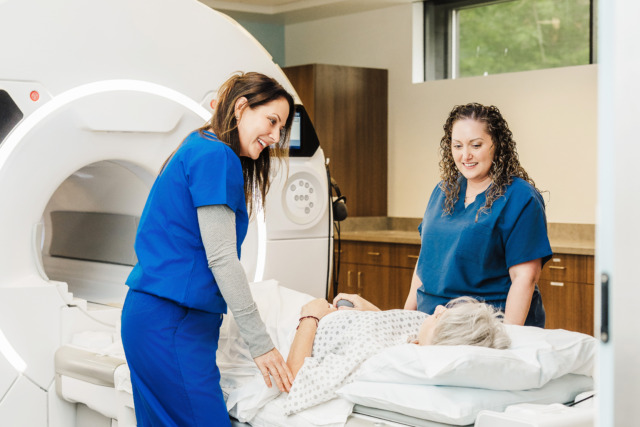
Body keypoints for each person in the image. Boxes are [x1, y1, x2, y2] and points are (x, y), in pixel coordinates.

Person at [120, 72, 296, 426]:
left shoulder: (196, 143)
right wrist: (261, 344)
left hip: (151, 317)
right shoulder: (217, 156)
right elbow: (221, 258)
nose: (276, 137)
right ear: (242, 107)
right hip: (172, 323)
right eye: (272, 121)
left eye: (281, 129)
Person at [404, 102, 552, 327]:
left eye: (476, 145)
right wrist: (406, 318)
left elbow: (525, 278)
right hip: (431, 322)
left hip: (483, 328)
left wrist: (507, 339)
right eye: (457, 146)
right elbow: (425, 262)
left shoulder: (520, 197)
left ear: (497, 145)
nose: (466, 155)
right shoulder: (442, 191)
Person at [282, 293, 510, 414]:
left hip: (296, 321)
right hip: (330, 311)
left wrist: (310, 316)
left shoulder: (374, 355)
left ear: (441, 339)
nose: (438, 308)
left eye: (441, 316)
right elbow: (395, 331)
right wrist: (370, 310)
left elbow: (296, 377)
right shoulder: (422, 328)